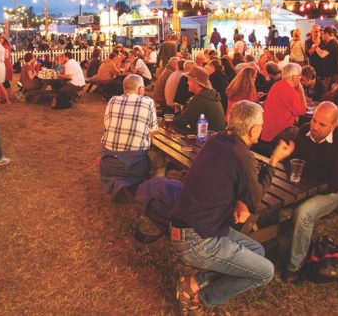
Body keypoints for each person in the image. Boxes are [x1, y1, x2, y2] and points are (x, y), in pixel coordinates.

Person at [170, 101, 294, 311]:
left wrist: (237, 203)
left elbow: (226, 180)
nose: (262, 129)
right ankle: (199, 299)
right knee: (265, 271)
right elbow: (255, 201)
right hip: (197, 239)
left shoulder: (217, 139)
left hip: (188, 227)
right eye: (261, 125)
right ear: (253, 129)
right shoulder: (241, 154)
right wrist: (273, 161)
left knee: (257, 250)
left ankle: (195, 281)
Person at [283, 102, 338, 282]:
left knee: (303, 213)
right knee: (275, 199)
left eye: (322, 124)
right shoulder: (304, 131)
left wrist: (309, 190)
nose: (315, 126)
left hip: (329, 193)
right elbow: (291, 161)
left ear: (333, 126)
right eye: (314, 120)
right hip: (301, 186)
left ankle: (294, 267)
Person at [99, 74, 158, 202]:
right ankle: (143, 189)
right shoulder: (148, 102)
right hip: (136, 166)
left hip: (109, 162)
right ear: (141, 89)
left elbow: (107, 125)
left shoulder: (112, 100)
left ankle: (119, 183)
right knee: (157, 158)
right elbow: (152, 132)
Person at [257, 63, 307, 156]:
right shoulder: (290, 90)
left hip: (267, 132)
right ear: (293, 77)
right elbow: (302, 110)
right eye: (299, 75)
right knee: (303, 133)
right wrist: (301, 90)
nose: (300, 78)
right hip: (278, 133)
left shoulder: (276, 85)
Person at [173, 66, 226, 132]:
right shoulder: (209, 95)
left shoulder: (199, 99)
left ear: (196, 82)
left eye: (189, 80)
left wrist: (170, 120)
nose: (187, 82)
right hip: (216, 137)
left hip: (209, 139)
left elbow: (181, 122)